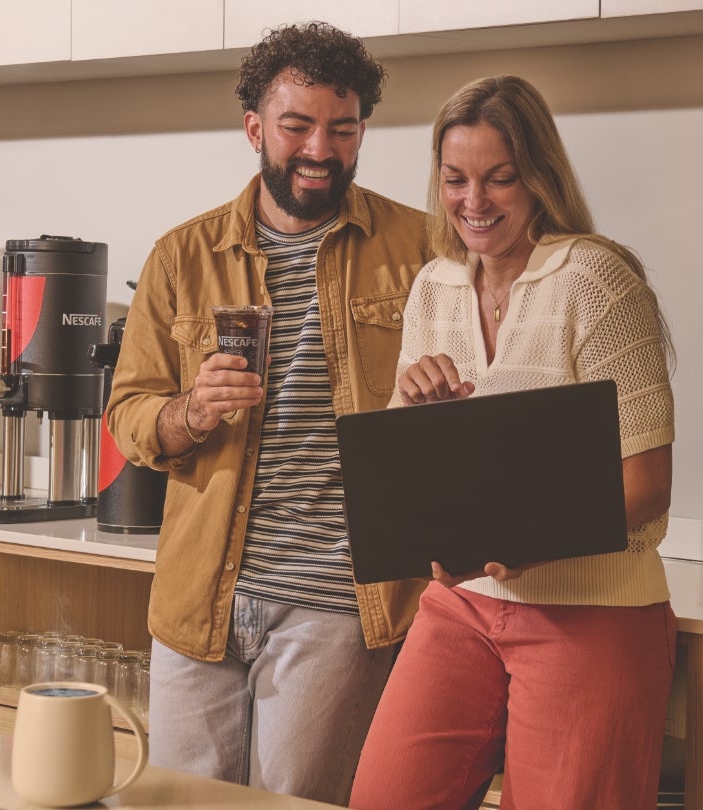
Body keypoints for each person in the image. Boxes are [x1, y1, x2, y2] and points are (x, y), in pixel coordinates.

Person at [106, 22, 431, 805]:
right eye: (297, 126)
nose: (320, 148)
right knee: (180, 804)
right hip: (198, 602)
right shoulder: (181, 256)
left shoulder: (418, 247)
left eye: (343, 129)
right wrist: (190, 410)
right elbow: (128, 416)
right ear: (255, 128)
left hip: (338, 604)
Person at [349, 75, 676, 810]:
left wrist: (536, 540)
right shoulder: (433, 286)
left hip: (592, 610)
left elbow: (650, 483)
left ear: (539, 177)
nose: (475, 201)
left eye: (501, 178)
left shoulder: (595, 282)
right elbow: (405, 477)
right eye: (456, 179)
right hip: (460, 602)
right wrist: (416, 405)